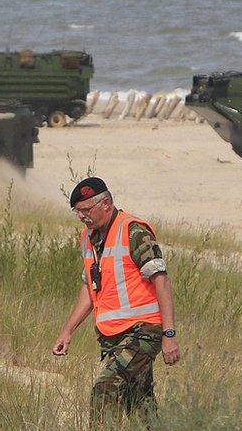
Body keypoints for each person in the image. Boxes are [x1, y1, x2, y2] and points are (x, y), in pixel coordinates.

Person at [52, 177, 180, 426]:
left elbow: (162, 282)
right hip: (115, 336)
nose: (81, 216)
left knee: (105, 388)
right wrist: (67, 331)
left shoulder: (134, 231)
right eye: (77, 211)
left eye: (86, 210)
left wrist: (169, 334)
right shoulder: (88, 238)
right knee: (140, 405)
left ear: (107, 204)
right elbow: (90, 288)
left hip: (144, 331)